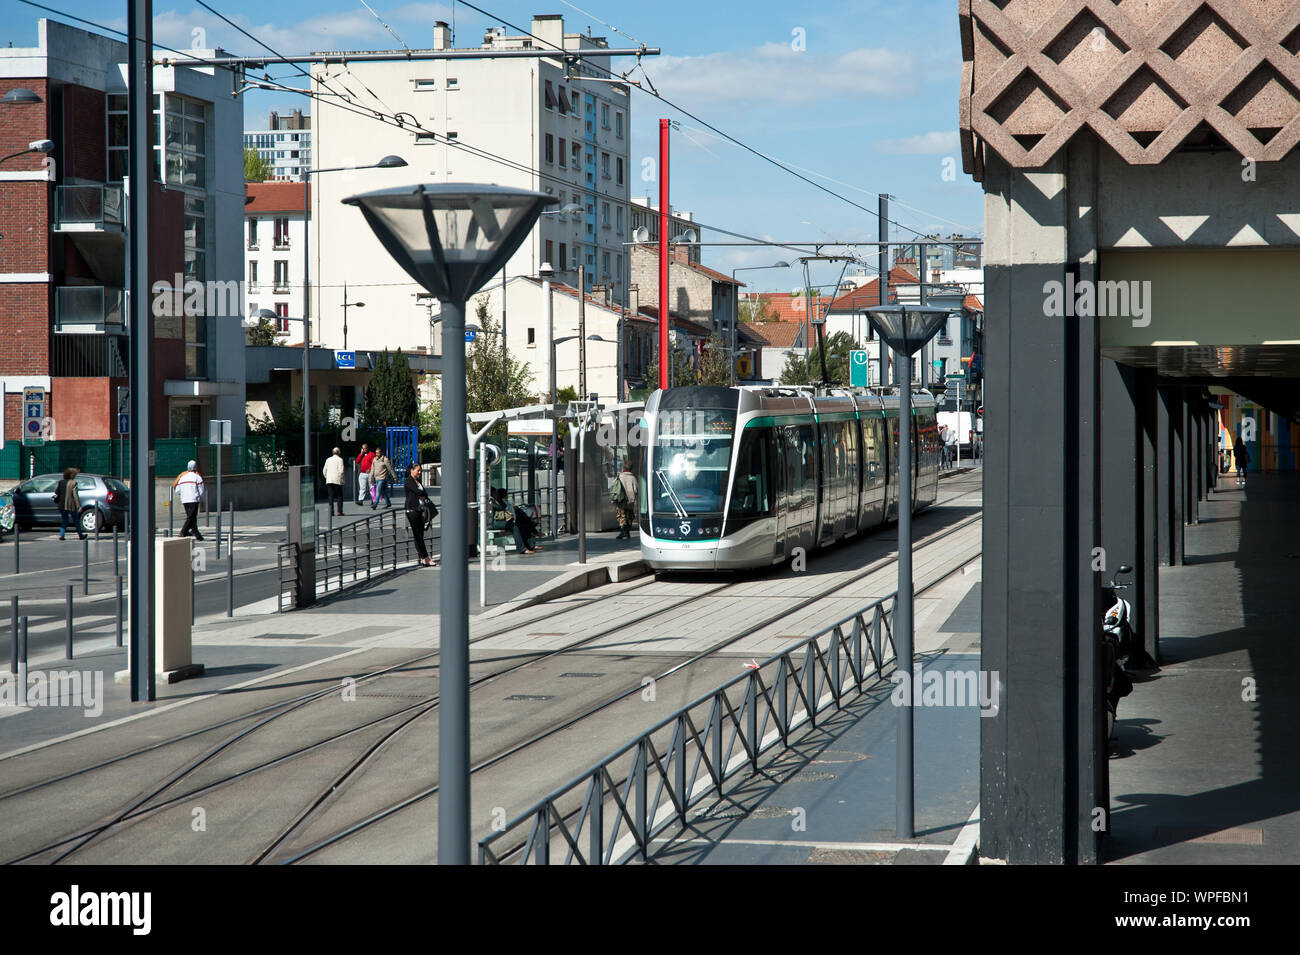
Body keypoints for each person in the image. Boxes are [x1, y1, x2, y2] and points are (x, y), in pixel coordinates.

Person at [404, 460, 437, 566]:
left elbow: (425, 493)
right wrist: (421, 494)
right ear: (412, 470)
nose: (419, 473)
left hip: (420, 510)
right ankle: (425, 558)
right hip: (412, 510)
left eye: (420, 471)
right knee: (417, 535)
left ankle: (424, 558)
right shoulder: (408, 480)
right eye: (418, 471)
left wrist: (421, 494)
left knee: (420, 535)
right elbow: (419, 492)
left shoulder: (418, 481)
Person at [490, 486, 536, 555]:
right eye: (495, 492)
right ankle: (522, 549)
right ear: (492, 493)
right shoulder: (491, 502)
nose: (497, 494)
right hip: (493, 523)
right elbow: (497, 512)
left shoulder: (497, 500)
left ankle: (530, 546)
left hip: (499, 522)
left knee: (521, 524)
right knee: (514, 526)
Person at [173, 460, 205, 541]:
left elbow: (177, 490)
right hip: (193, 499)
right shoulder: (197, 477)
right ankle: (183, 531)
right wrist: (198, 497)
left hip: (184, 500)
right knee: (191, 517)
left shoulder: (183, 477)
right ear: (195, 468)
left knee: (191, 517)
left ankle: (198, 535)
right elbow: (201, 490)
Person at [54, 467, 86, 541]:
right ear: (72, 475)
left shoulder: (60, 482)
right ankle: (80, 535)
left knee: (64, 520)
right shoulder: (73, 483)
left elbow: (56, 492)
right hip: (71, 505)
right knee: (76, 520)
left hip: (62, 504)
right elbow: (75, 495)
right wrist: (79, 506)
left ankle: (62, 535)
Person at [612, 461, 639, 539]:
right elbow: (636, 489)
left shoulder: (619, 476)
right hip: (630, 501)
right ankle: (626, 532)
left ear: (624, 468)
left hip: (621, 500)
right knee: (629, 515)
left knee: (621, 516)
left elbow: (614, 488)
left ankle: (623, 531)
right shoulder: (633, 478)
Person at [323, 447, 345, 516]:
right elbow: (341, 471)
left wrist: (327, 477)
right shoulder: (340, 460)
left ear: (333, 452)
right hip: (337, 480)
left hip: (329, 480)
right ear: (339, 452)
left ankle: (331, 511)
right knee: (339, 496)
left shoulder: (328, 459)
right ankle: (339, 511)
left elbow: (324, 470)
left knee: (330, 496)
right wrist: (340, 479)